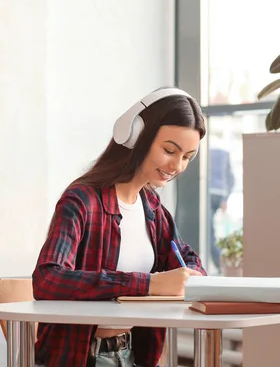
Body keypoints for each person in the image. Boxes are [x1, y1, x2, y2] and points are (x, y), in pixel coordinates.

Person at [32, 87, 207, 367]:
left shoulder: (151, 206)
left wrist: (191, 274)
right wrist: (149, 284)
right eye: (169, 150)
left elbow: (185, 257)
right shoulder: (81, 200)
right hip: (80, 357)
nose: (176, 165)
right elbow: (48, 279)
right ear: (136, 136)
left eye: (187, 156)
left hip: (132, 354)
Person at [208, 147, 235, 271]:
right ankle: (219, 263)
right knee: (210, 229)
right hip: (220, 193)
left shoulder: (206, 153)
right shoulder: (225, 154)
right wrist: (225, 198)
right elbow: (231, 179)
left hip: (208, 193)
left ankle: (219, 263)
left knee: (209, 230)